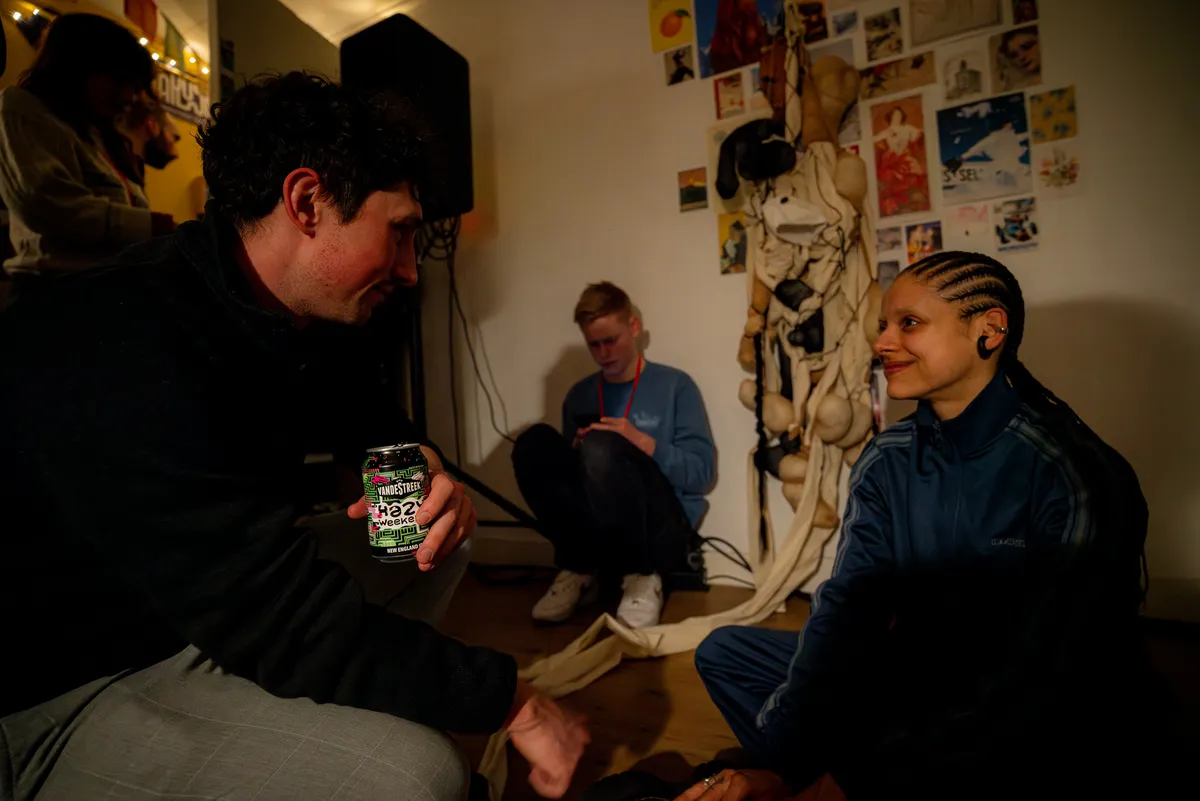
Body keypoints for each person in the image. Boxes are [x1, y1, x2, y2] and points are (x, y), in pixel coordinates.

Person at [0, 73, 587, 800]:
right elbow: (279, 617)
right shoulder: (119, 339)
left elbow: (374, 427)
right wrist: (515, 703)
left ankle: (327, 707)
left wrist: (423, 470)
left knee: (437, 530)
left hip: (201, 619)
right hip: (69, 685)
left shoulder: (301, 314)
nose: (410, 271)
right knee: (417, 775)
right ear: (307, 202)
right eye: (400, 231)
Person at [690, 252, 1162, 798]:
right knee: (726, 653)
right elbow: (849, 608)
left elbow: (1054, 671)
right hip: (915, 676)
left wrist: (850, 778)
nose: (882, 343)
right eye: (883, 326)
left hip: (1023, 703)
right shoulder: (887, 458)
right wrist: (789, 756)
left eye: (908, 323)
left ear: (989, 330)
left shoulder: (1074, 474)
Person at [512, 282, 714, 628]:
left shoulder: (675, 386)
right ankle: (579, 568)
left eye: (611, 340)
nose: (604, 353)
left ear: (633, 327)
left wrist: (642, 441)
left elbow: (701, 473)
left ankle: (643, 576)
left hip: (661, 526)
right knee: (533, 442)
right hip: (599, 525)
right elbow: (566, 485)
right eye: (594, 345)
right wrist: (580, 454)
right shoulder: (580, 395)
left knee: (602, 446)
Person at [0, 13, 174, 279]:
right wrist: (156, 227)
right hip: (54, 290)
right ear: (78, 65)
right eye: (121, 80)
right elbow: (48, 204)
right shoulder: (22, 107)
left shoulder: (94, 132)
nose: (130, 97)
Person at [116, 91, 183, 187]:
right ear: (152, 125)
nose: (176, 154)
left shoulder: (131, 171)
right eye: (174, 138)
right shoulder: (114, 174)